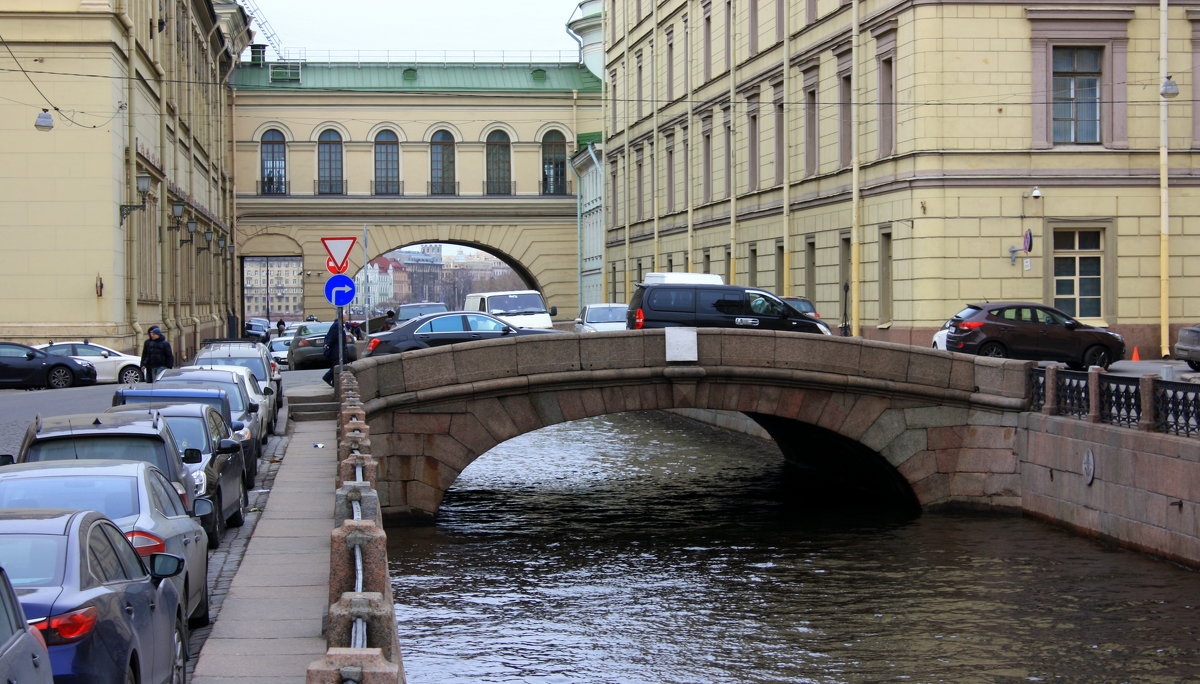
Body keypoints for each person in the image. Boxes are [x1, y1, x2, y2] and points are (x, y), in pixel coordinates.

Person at [321, 318, 344, 387]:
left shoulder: (339, 325)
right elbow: (331, 337)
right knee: (337, 366)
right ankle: (327, 377)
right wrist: (327, 346)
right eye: (345, 317)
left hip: (338, 349)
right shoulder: (337, 325)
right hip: (336, 350)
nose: (347, 318)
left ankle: (335, 383)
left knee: (337, 366)